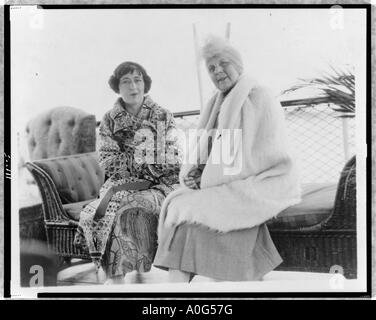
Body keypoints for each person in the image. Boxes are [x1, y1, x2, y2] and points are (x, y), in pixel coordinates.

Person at [154, 36, 301, 282]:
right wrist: (197, 173)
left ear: (238, 65)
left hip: (262, 181)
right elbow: (216, 154)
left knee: (188, 213)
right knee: (181, 208)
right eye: (211, 68)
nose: (217, 71)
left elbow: (265, 156)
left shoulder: (260, 97)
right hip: (228, 182)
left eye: (224, 64)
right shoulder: (217, 102)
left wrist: (212, 178)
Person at [74, 61, 182, 284]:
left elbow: (173, 158)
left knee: (131, 207)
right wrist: (147, 153)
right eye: (126, 81)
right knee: (106, 210)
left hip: (161, 184)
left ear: (145, 83)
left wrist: (140, 157)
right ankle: (116, 277)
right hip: (120, 183)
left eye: (138, 79)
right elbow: (108, 160)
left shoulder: (163, 116)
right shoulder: (109, 120)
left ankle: (123, 272)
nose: (133, 86)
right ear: (117, 87)